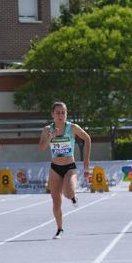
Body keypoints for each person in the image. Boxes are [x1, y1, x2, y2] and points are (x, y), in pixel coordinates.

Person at [38, 102, 91, 239]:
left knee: (68, 193)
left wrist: (86, 161)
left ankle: (72, 196)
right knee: (56, 200)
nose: (60, 115)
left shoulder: (72, 128)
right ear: (52, 114)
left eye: (63, 113)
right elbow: (42, 148)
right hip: (55, 168)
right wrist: (51, 136)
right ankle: (59, 228)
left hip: (69, 167)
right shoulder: (46, 130)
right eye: (58, 113)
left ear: (66, 114)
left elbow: (87, 139)